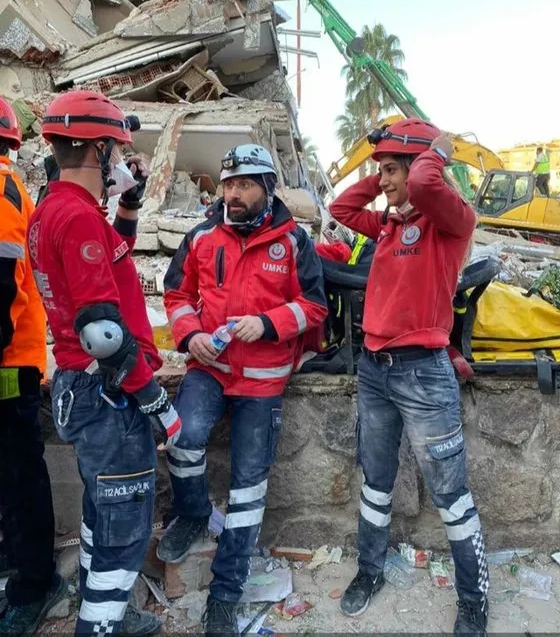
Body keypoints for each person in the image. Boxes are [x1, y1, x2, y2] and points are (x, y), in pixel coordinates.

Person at [27, 90, 182, 637]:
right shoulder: (76, 217)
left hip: (79, 387)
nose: (118, 159)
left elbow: (108, 256)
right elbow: (102, 333)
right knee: (124, 525)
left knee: (100, 512)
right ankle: (100, 624)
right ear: (96, 151)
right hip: (109, 393)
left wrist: (130, 204)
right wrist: (156, 399)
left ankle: (106, 608)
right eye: (114, 150)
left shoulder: (56, 210)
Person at [330, 119, 489, 636]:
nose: (389, 180)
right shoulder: (392, 225)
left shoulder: (453, 222)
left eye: (393, 169)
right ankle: (370, 571)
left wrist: (434, 153)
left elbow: (424, 184)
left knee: (450, 493)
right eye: (384, 172)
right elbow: (340, 209)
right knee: (375, 482)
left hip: (423, 374)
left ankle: (473, 600)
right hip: (375, 370)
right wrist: (384, 177)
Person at [161, 144, 328, 635]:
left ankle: (225, 594)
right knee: (182, 439)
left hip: (263, 383)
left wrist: (268, 323)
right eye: (228, 184)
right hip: (208, 371)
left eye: (244, 185)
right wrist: (191, 335)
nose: (232, 193)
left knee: (248, 488)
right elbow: (176, 293)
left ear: (267, 188)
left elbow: (315, 308)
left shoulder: (295, 242)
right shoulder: (202, 235)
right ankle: (192, 514)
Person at [0, 97, 66, 634]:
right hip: (12, 356)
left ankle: (36, 580)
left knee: (19, 470)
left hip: (8, 362)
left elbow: (2, 286)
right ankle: (16, 554)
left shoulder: (2, 190)